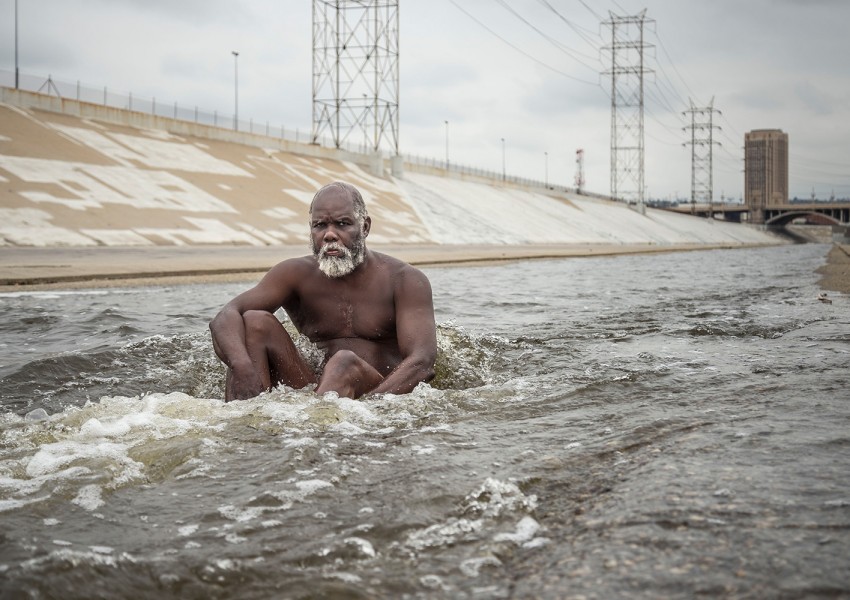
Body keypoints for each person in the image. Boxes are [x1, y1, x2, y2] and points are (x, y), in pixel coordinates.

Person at [209, 181, 437, 401]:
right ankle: (241, 424)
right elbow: (226, 316)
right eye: (320, 225)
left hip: (377, 390)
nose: (329, 234)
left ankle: (314, 428)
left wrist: (373, 407)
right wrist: (242, 366)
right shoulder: (294, 274)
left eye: (342, 224)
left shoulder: (404, 280)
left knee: (344, 363)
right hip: (313, 391)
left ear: (365, 227)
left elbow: (422, 361)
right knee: (255, 321)